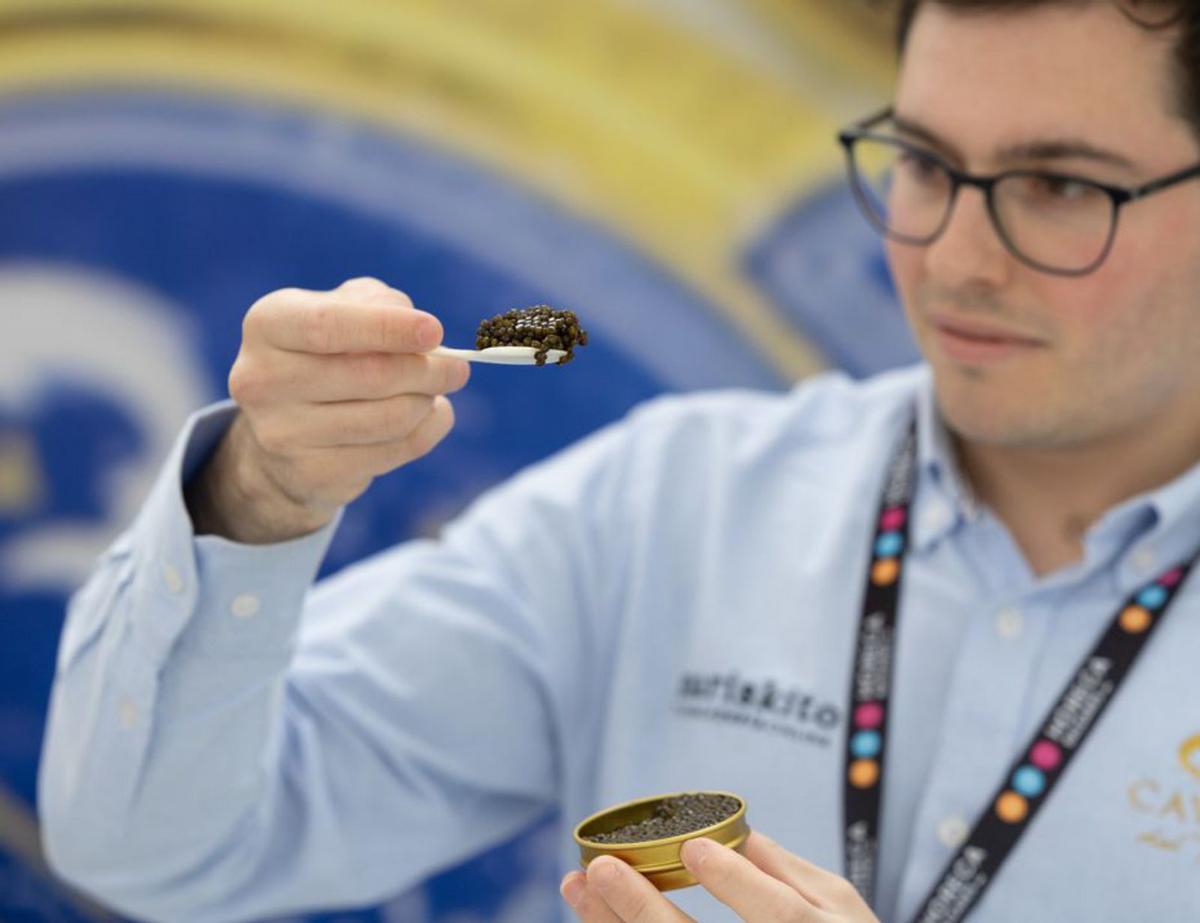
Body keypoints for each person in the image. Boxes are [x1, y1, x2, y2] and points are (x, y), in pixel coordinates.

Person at [38, 0, 1200, 920]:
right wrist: (255, 494)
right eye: (927, 164)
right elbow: (153, 849)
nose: (954, 257)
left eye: (1059, 187)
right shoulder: (676, 502)